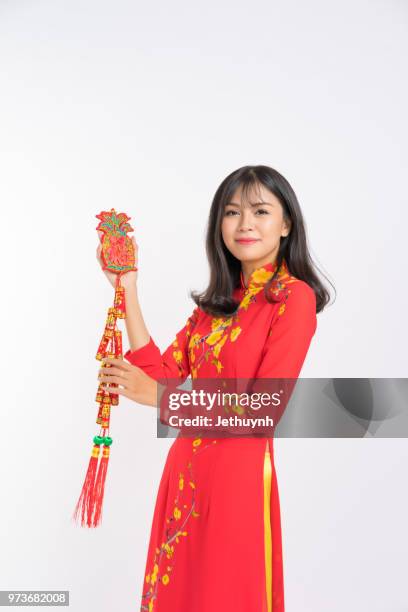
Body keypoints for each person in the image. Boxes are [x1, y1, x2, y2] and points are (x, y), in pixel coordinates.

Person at [96, 165, 332, 612]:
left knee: (223, 595)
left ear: (286, 225)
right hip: (186, 472)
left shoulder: (292, 299)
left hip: (237, 481)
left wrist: (163, 400)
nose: (244, 223)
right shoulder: (217, 306)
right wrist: (127, 290)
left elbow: (263, 411)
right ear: (217, 225)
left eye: (260, 211)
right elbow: (162, 371)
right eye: (231, 212)